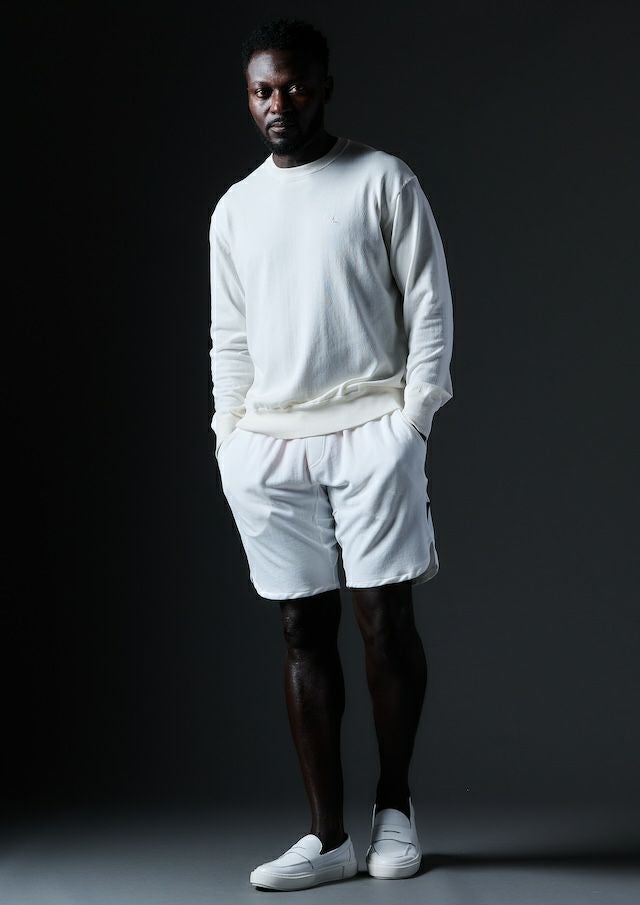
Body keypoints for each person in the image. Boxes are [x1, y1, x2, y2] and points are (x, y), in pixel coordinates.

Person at [209, 16, 454, 892]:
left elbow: (429, 304)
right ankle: (327, 836)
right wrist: (229, 436)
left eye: (294, 86)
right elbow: (229, 336)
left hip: (370, 432)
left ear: (325, 87)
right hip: (269, 446)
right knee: (300, 630)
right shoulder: (235, 208)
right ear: (249, 97)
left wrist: (412, 421)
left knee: (385, 619)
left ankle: (395, 808)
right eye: (262, 90)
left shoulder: (383, 179)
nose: (279, 103)